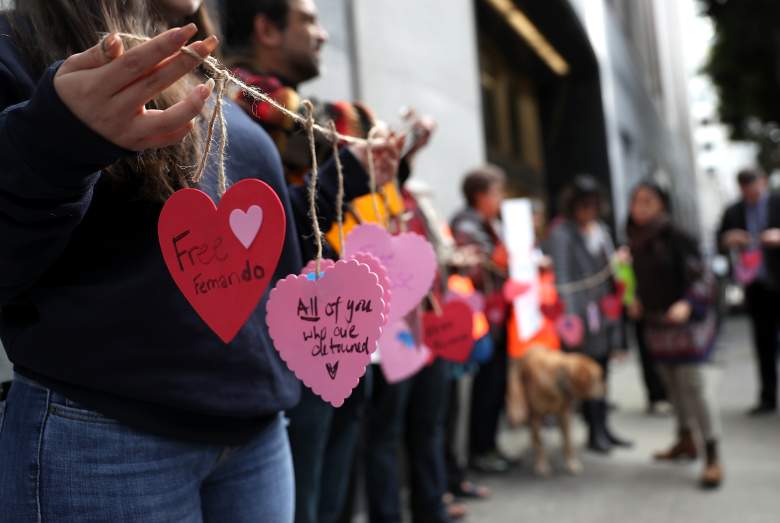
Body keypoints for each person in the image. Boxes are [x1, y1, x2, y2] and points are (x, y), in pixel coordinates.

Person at [0, 1, 400, 520]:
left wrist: (354, 174)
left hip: (256, 433)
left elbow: (261, 252)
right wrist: (57, 140)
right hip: (103, 438)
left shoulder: (211, 75)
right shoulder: (19, 47)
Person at [221, 2, 412, 522]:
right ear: (265, 27)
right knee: (303, 497)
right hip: (283, 333)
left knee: (333, 488)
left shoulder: (304, 122)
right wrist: (353, 157)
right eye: (308, 20)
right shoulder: (239, 105)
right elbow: (334, 144)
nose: (323, 34)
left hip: (334, 318)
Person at [627, 181, 723, 488]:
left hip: (684, 325)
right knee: (670, 384)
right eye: (636, 201)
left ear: (661, 205)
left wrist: (687, 303)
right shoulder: (633, 239)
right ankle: (685, 440)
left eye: (648, 201)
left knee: (693, 386)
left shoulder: (677, 236)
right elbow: (633, 279)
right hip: (655, 323)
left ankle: (712, 453)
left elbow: (703, 276)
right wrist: (634, 298)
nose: (640, 207)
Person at [545, 175, 632, 454]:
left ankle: (605, 427)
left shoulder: (601, 231)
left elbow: (612, 273)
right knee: (585, 373)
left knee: (603, 371)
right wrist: (570, 320)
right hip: (580, 313)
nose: (589, 212)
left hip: (604, 310)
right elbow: (563, 277)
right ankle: (594, 431)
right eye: (584, 206)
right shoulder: (561, 233)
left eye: (593, 206)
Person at [450, 165, 511, 473]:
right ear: (479, 195)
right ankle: (479, 451)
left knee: (495, 386)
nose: (500, 199)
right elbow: (476, 269)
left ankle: (490, 445)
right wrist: (502, 259)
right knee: (483, 390)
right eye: (496, 192)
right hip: (479, 320)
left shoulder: (492, 225)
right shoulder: (467, 224)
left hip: (498, 319)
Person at [717, 168, 780, 415]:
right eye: (744, 188)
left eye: (753, 185)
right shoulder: (733, 211)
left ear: (763, 182)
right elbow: (719, 243)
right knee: (763, 343)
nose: (749, 192)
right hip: (755, 285)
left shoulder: (777, 203)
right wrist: (728, 239)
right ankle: (767, 397)